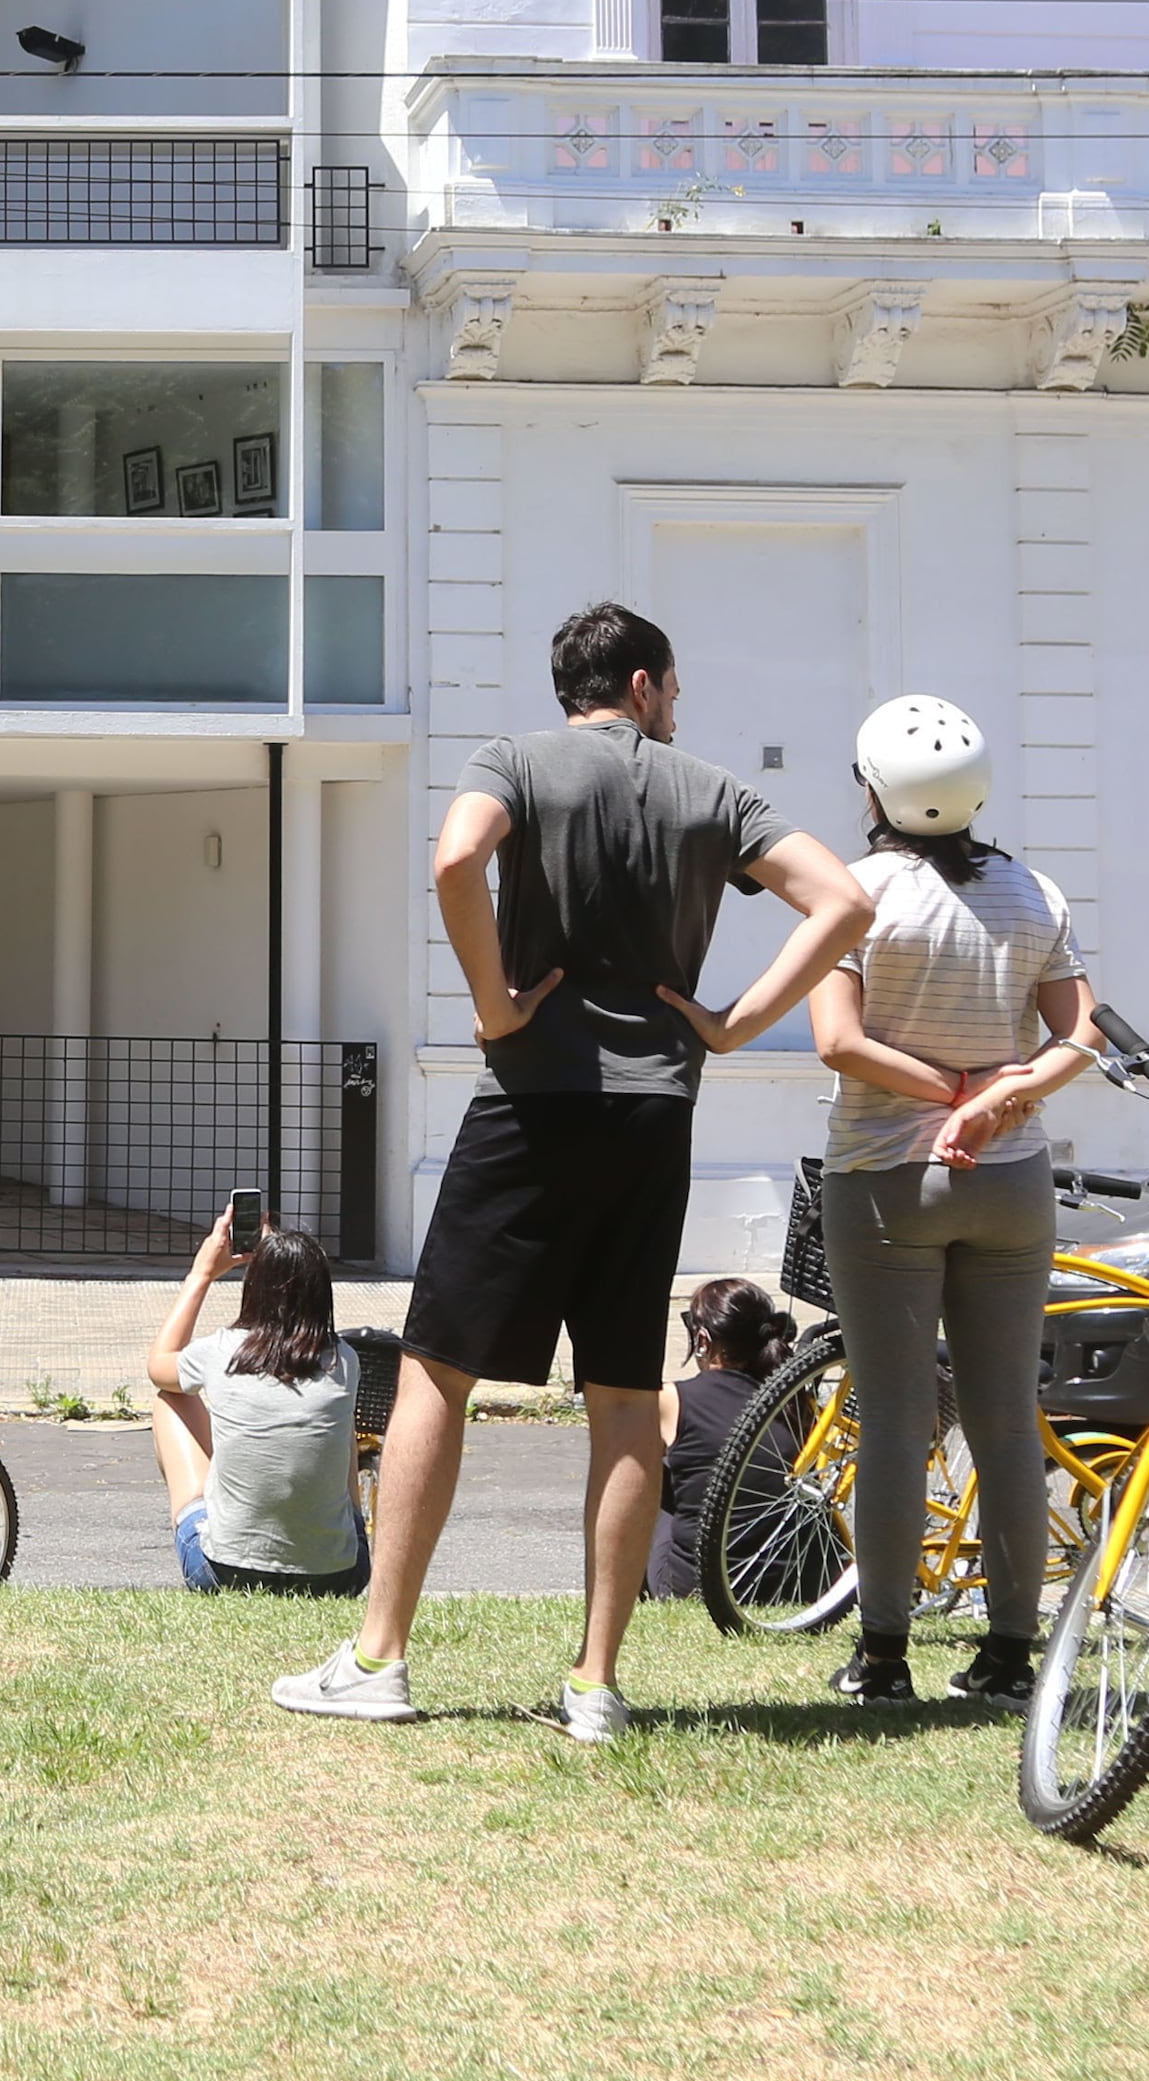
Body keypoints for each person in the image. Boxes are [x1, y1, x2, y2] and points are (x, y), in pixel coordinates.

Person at [280, 602, 870, 1739]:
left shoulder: (512, 760)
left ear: (575, 687)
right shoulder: (710, 791)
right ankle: (595, 1686)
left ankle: (378, 1660)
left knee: (434, 1376)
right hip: (653, 1120)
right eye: (673, 691)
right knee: (619, 1401)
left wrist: (493, 1002)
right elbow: (842, 899)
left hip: (529, 1106)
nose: (674, 708)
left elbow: (455, 857)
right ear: (644, 685)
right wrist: (735, 1026)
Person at [802, 694, 1098, 1709]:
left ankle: (882, 1656)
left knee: (890, 1422)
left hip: (886, 1174)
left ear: (872, 790)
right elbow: (1077, 1035)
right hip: (1011, 1181)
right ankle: (1010, 1656)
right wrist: (999, 1096)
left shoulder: (854, 894)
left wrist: (942, 1098)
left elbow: (838, 1043)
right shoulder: (1032, 894)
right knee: (1007, 1422)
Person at [144, 1209, 370, 1599]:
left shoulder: (222, 1352)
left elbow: (158, 1366)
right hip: (337, 1577)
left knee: (170, 1399)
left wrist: (202, 1275)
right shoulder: (344, 1360)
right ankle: (322, 1543)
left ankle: (224, 1521)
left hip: (222, 1573)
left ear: (255, 1288)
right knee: (341, 1420)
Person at [644, 1278, 797, 1602]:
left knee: (649, 1478)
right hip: (790, 1583)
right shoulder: (795, 1402)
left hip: (693, 1585)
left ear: (703, 1339)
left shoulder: (673, 1400)